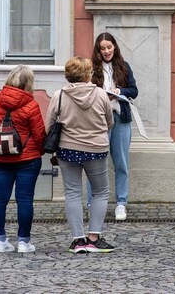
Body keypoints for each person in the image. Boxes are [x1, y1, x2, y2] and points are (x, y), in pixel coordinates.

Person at [47, 57, 115, 254]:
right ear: (87, 75)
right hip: (96, 149)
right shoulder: (101, 95)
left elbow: (50, 124)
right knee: (100, 192)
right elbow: (109, 122)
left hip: (67, 149)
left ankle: (78, 240)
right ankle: (94, 237)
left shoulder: (59, 95)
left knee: (72, 193)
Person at [0, 65, 46, 254]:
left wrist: (1, 148)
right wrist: (40, 151)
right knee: (25, 200)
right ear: (29, 83)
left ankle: (0, 241)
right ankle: (23, 242)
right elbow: (39, 135)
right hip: (27, 159)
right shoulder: (31, 105)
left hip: (0, 159)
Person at [88, 32, 138, 221]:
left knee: (121, 164)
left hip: (120, 119)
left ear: (114, 47)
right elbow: (85, 91)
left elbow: (134, 90)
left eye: (109, 47)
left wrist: (119, 91)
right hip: (97, 120)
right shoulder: (92, 68)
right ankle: (92, 203)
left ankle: (121, 203)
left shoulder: (124, 67)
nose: (107, 51)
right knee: (94, 163)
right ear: (98, 50)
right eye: (103, 48)